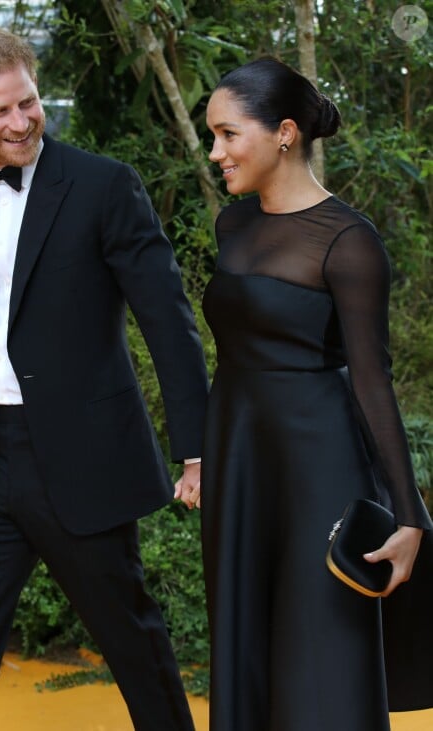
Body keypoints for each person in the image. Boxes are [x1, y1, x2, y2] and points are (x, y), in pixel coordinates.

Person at [0, 28, 208, 731]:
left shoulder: (104, 185)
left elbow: (167, 318)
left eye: (28, 104)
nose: (20, 123)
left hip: (82, 456)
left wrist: (196, 444)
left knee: (133, 641)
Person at [200, 57, 433, 731]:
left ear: (285, 133)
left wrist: (410, 517)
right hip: (240, 461)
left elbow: (372, 382)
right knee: (243, 645)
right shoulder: (232, 227)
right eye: (212, 136)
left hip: (321, 470)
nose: (216, 151)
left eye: (227, 134)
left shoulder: (349, 242)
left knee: (321, 655)